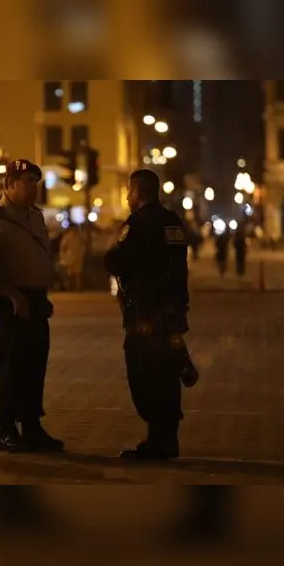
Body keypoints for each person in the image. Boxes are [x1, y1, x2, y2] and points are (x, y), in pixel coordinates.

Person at [104, 169, 192, 460]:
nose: (127, 197)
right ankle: (168, 438)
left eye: (129, 191)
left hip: (144, 314)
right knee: (168, 375)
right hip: (172, 313)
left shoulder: (138, 223)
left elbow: (115, 262)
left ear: (137, 192)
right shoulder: (172, 221)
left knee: (144, 375)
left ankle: (157, 440)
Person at [0, 159, 65, 453]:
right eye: (27, 182)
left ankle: (31, 425)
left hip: (35, 300)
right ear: (9, 184)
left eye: (35, 182)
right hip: (10, 303)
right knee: (10, 366)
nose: (33, 188)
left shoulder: (35, 216)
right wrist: (13, 295)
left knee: (35, 364)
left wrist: (42, 295)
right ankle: (5, 429)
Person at [58, 225, 86, 292]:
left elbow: (84, 245)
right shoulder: (68, 236)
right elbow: (63, 246)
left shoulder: (79, 236)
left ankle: (77, 287)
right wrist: (64, 255)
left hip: (77, 256)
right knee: (71, 273)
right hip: (71, 256)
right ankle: (72, 287)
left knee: (77, 273)